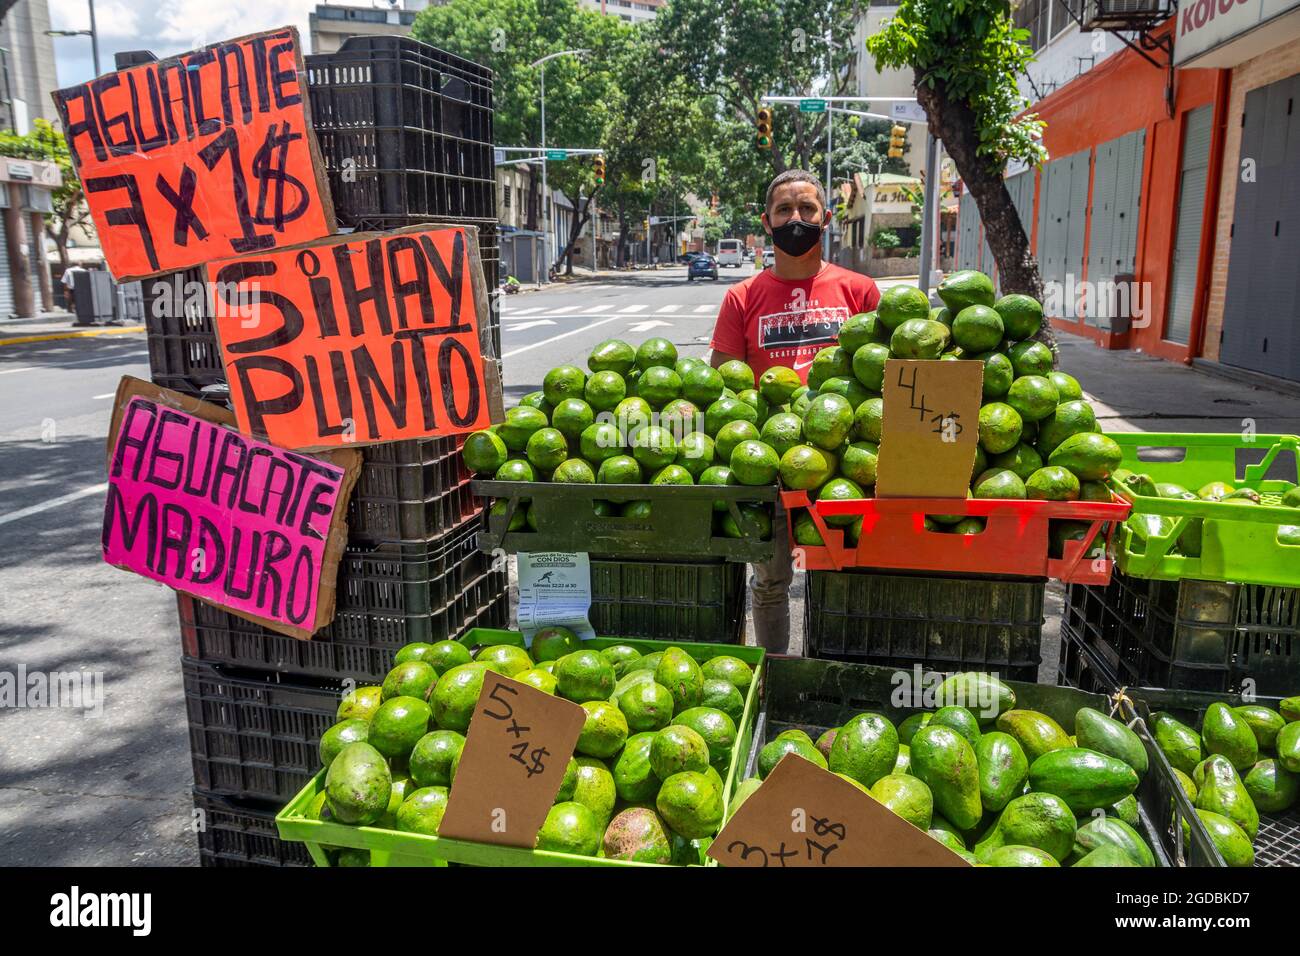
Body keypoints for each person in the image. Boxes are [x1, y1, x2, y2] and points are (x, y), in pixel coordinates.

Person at [709, 169, 882, 654]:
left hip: (845, 463)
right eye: (784, 210)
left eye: (806, 209)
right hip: (768, 462)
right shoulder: (741, 298)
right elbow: (725, 384)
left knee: (841, 579)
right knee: (769, 584)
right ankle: (776, 675)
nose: (796, 218)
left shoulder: (861, 292)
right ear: (767, 222)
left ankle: (827, 674)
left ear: (827, 218)